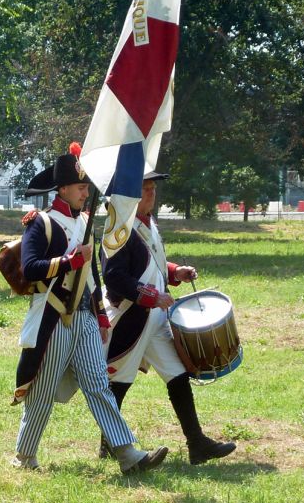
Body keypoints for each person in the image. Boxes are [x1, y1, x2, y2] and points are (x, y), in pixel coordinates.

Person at [11, 143, 167, 474]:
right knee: (44, 390)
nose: (85, 193)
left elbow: (92, 275)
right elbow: (31, 268)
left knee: (98, 384)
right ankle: (24, 455)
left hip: (84, 317)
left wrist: (100, 316)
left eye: (86, 187)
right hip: (54, 316)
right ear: (63, 189)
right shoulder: (42, 222)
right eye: (80, 187)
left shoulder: (84, 222)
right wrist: (69, 260)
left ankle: (127, 454)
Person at [101, 172, 236, 465]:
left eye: (152, 188)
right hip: (131, 319)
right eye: (145, 188)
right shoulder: (118, 230)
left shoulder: (147, 223)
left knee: (177, 375)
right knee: (119, 382)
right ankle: (109, 444)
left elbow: (153, 264)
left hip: (155, 318)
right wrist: (150, 296)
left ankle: (197, 443)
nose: (151, 193)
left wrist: (175, 272)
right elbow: (113, 277)